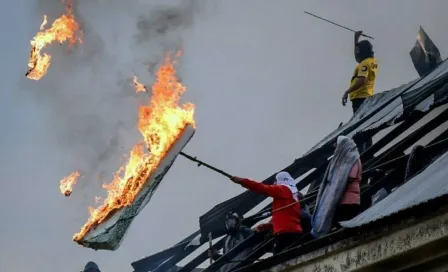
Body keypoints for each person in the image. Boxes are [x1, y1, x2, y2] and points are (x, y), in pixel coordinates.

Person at [231, 171, 302, 254]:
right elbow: (286, 219)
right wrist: (267, 226)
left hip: (285, 234)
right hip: (293, 232)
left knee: (279, 260)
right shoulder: (293, 196)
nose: (275, 183)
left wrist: (242, 181)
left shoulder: (283, 189)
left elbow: (263, 188)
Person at [312, 136, 361, 238]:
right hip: (341, 200)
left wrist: (337, 181)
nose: (335, 148)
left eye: (337, 145)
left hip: (350, 199)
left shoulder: (353, 158)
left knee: (346, 224)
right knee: (338, 223)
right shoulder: (342, 159)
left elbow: (350, 176)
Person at [342, 30, 378, 113]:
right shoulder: (371, 62)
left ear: (363, 51)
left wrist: (347, 91)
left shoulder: (364, 64)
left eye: (359, 50)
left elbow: (362, 80)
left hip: (360, 98)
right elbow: (357, 57)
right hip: (365, 96)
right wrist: (356, 39)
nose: (357, 52)